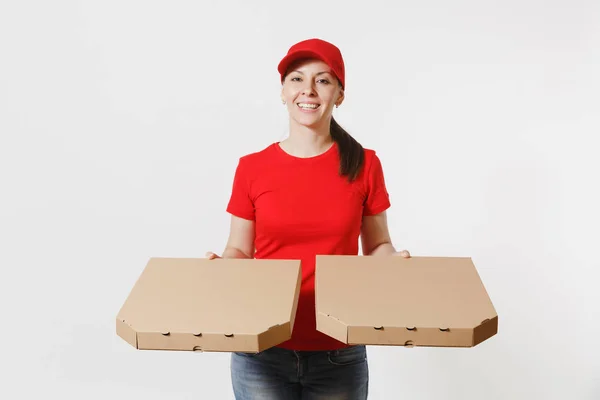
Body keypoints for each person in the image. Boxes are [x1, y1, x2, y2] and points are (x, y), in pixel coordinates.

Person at [206, 38, 411, 400]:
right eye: (297, 79)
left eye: (323, 80)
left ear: (339, 95)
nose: (309, 91)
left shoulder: (365, 164)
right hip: (261, 346)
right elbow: (239, 247)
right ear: (283, 92)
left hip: (339, 348)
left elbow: (377, 244)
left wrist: (392, 263)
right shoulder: (252, 168)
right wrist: (224, 268)